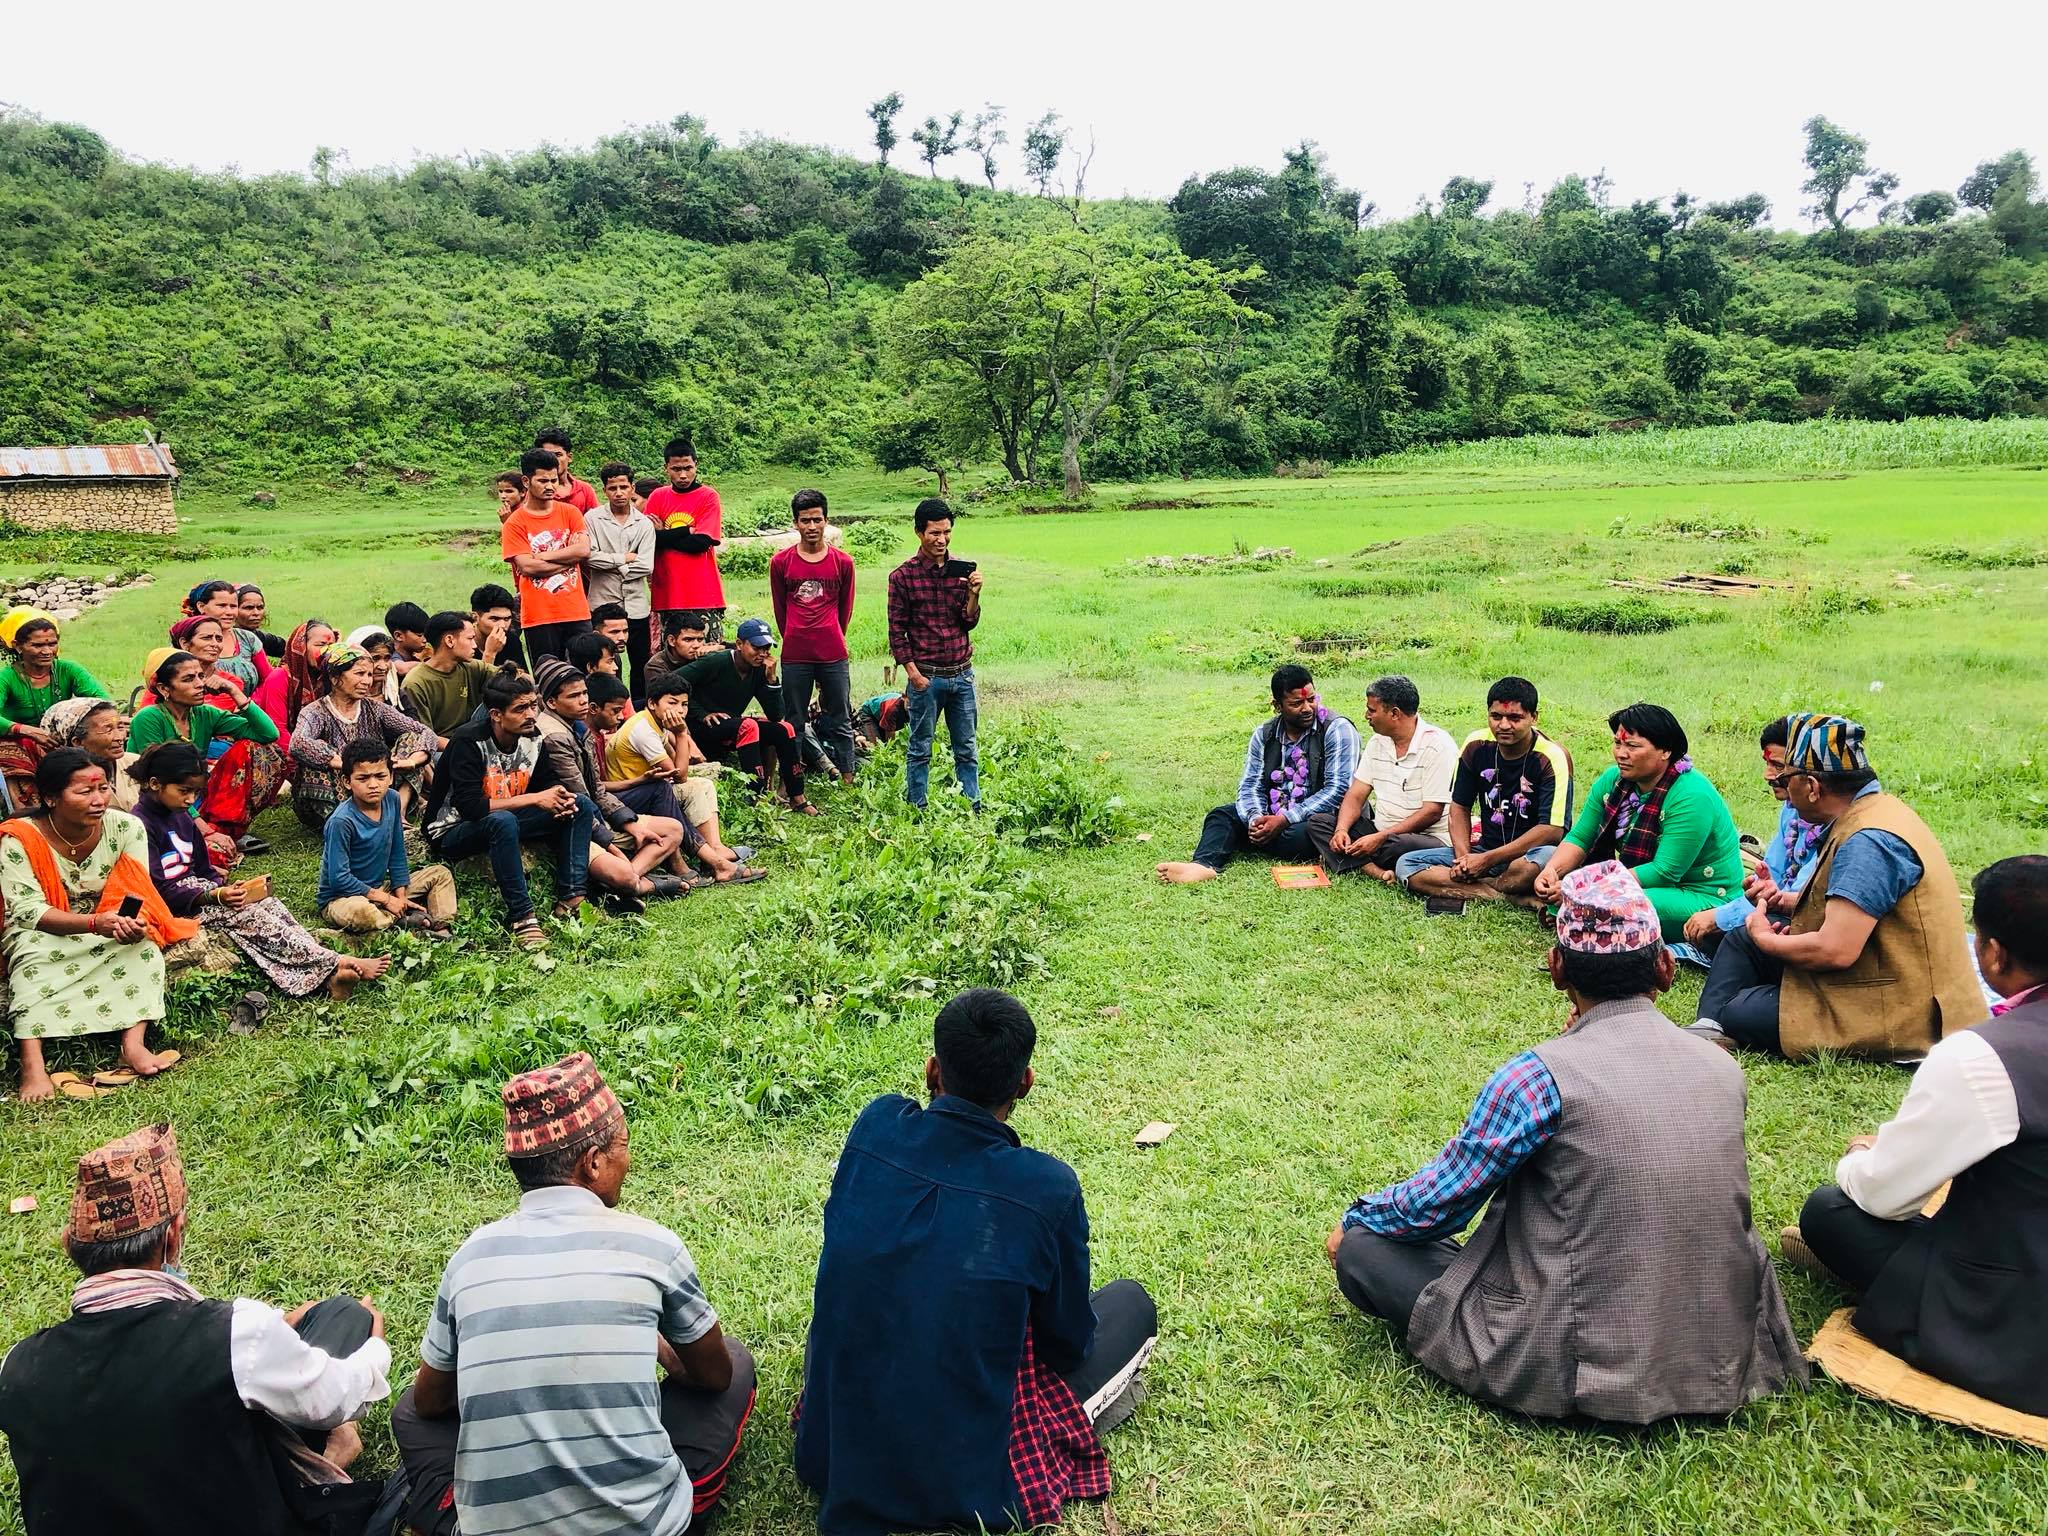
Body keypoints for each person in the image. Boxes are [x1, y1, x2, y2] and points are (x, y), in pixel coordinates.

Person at [1328, 860, 1807, 1422]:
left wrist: (1360, 1222)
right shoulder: (1721, 1067)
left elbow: (1438, 1207)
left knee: (1366, 1248)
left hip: (1573, 1355)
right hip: (1722, 1347)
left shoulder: (1536, 1078)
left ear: (1557, 968)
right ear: (1665, 968)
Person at [796, 989, 1157, 1535]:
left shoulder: (876, 1125)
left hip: (833, 1450)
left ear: (932, 1071)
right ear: (1025, 1083)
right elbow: (1068, 1345)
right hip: (963, 1480)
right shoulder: (1046, 1188)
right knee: (1130, 1303)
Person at [393, 1053, 755, 1536]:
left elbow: (431, 1403)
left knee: (408, 1412)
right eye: (624, 1145)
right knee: (734, 1363)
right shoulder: (654, 1246)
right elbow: (713, 1376)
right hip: (645, 1526)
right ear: (593, 1162)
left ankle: (445, 1511)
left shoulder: (470, 1259)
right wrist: (655, 1348)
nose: (629, 1159)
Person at [0, 1123, 394, 1534]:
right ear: (173, 1236)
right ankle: (331, 1458)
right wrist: (374, 1352)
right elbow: (335, 1399)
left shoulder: (17, 1369)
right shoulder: (237, 1335)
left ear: (68, 1245)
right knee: (348, 1317)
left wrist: (266, 1331)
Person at [1782, 855, 2048, 1414]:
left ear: (1994, 954)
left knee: (1831, 1211)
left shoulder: (1984, 1057)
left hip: (2019, 1309)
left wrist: (1860, 1158)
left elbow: (1884, 1197)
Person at [1691, 714, 1978, 1059]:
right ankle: (1709, 1026)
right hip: (1875, 966)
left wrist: (1766, 939)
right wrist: (1785, 901)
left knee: (1742, 1008)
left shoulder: (1867, 841)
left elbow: (1835, 951)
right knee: (1742, 941)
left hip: (1898, 1005)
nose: (1782, 789)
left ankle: (1723, 1019)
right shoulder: (1875, 811)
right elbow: (1863, 907)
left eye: (1786, 779)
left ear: (1812, 787)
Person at [129, 742, 390, 1001]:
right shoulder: (140, 824)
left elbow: (203, 869)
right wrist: (214, 896)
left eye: (195, 793)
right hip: (172, 904)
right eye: (184, 791)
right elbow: (156, 888)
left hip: (200, 892)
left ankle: (326, 979)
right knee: (248, 915)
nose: (190, 800)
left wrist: (226, 886)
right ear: (154, 784)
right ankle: (336, 961)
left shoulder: (182, 815)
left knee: (268, 904)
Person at [2, 749, 191, 1100]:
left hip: (107, 919)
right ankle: (33, 1064)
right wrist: (93, 923)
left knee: (143, 950)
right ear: (50, 798)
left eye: (103, 788)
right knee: (31, 961)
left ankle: (132, 1043)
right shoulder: (18, 838)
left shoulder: (126, 827)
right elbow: (27, 911)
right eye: (84, 792)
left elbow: (134, 889)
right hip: (41, 929)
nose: (98, 799)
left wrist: (130, 924)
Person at [1534, 701, 1740, 940]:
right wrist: (1552, 871)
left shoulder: (1691, 796)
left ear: (1666, 751)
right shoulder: (1613, 780)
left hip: (1703, 897)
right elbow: (1581, 837)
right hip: (1637, 882)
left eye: (1632, 745)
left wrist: (1586, 889)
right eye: (1617, 743)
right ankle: (1580, 911)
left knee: (1617, 905)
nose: (1621, 753)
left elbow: (1664, 872)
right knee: (1570, 883)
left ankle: (1580, 913)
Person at [421, 668, 596, 950]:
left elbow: (545, 780)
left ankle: (572, 899)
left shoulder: (533, 736)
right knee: (501, 821)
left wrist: (557, 795)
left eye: (532, 706)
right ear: (496, 714)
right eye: (520, 709)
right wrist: (535, 800)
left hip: (508, 818)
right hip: (452, 828)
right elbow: (471, 807)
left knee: (580, 805)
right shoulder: (469, 741)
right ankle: (523, 918)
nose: (530, 714)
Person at [1156, 664, 1360, 884]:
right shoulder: (1264, 734)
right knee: (1221, 815)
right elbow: (1250, 784)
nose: (1308, 708)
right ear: (1277, 706)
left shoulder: (1336, 729)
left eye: (1311, 699)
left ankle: (1258, 840)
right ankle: (1204, 865)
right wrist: (1255, 819)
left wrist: (1284, 819)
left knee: (1302, 833)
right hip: (1275, 814)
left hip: (1320, 819)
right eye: (1296, 703)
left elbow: (1339, 790)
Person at [1396, 676, 1573, 905]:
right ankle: (1507, 896)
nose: (1504, 725)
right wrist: (1464, 860)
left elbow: (1552, 830)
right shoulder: (1475, 745)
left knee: (1542, 860)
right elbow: (1459, 806)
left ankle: (1486, 887)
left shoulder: (1551, 757)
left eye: (1515, 718)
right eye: (1496, 716)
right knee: (1406, 865)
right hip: (1484, 849)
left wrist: (1486, 861)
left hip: (1528, 856)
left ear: (1534, 717)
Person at [531, 658, 688, 907]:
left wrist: (630, 823)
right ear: (552, 702)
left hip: (594, 816)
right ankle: (635, 882)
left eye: (584, 692)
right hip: (572, 824)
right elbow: (580, 801)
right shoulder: (555, 737)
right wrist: (610, 843)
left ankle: (628, 885)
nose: (583, 700)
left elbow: (598, 790)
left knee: (673, 829)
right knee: (621, 870)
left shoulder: (579, 729)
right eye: (574, 696)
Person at [1681, 715, 1822, 953]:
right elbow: (1773, 872)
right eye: (1767, 764)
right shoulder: (1792, 810)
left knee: (1737, 936)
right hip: (1774, 906)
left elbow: (1800, 897)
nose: (1768, 775)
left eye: (1778, 766)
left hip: (1809, 920)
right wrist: (1756, 892)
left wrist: (1720, 916)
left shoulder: (1833, 821)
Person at [602, 671, 759, 885]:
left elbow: (677, 764)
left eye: (684, 705)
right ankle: (714, 864)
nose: (679, 710)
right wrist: (682, 734)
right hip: (629, 797)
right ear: (652, 703)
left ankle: (713, 850)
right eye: (672, 703)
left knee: (703, 785)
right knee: (664, 788)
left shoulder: (656, 725)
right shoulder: (643, 729)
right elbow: (680, 776)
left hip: (645, 790)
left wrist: (675, 737)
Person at [128, 648, 285, 853]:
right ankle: (208, 834)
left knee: (261, 751)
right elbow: (160, 781)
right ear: (164, 688)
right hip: (157, 800)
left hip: (191, 796)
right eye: (188, 679)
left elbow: (268, 734)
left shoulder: (203, 714)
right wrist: (204, 829)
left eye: (201, 676)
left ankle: (224, 830)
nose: (200, 684)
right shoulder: (149, 718)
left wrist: (234, 691)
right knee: (199, 851)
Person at [1307, 674, 1455, 883]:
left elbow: (1432, 812)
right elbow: (1356, 794)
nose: (1366, 715)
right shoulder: (1378, 742)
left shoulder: (1438, 745)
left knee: (1399, 847)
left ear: (1394, 713)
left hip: (1424, 838)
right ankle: (1374, 870)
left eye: (1371, 710)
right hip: (1380, 830)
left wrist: (1380, 838)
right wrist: (1341, 830)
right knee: (1318, 823)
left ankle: (1352, 860)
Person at [887, 498, 983, 811]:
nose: (941, 540)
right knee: (920, 747)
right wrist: (914, 676)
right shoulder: (902, 577)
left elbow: (968, 621)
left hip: (962, 673)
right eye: (934, 533)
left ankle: (973, 803)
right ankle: (918, 807)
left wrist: (973, 595)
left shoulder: (960, 572)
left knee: (966, 746)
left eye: (946, 532)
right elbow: (896, 632)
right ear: (919, 533)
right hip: (926, 677)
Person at [320, 738, 458, 935]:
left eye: (380, 776)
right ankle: (407, 922)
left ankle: (440, 927)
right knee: (362, 912)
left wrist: (399, 896)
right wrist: (386, 900)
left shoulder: (392, 799)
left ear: (391, 776)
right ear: (346, 782)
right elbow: (339, 879)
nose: (373, 784)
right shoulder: (341, 822)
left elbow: (397, 852)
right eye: (363, 778)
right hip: (344, 898)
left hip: (380, 888)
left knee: (440, 874)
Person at [287, 642, 432, 829]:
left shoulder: (376, 709)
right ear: (335, 677)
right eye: (359, 674)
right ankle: (349, 822)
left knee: (412, 739)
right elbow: (297, 743)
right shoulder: (315, 712)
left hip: (374, 786)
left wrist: (410, 761)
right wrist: (349, 765)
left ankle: (398, 813)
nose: (367, 681)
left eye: (369, 674)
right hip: (340, 789)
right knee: (314, 762)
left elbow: (424, 732)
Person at [678, 617, 814, 813]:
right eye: (757, 647)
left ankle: (797, 797)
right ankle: (756, 798)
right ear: (740, 644)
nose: (762, 653)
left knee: (785, 728)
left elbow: (776, 715)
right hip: (699, 727)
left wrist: (772, 680)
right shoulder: (716, 661)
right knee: (748, 725)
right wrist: (701, 713)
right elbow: (671, 682)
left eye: (767, 648)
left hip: (729, 724)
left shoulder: (759, 670)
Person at [772, 488, 859, 781]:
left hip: (833, 651)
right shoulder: (781, 562)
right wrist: (795, 635)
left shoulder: (842, 562)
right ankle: (792, 780)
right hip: (795, 654)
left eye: (817, 520)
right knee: (793, 721)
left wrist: (832, 634)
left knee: (840, 716)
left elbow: (845, 608)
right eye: (805, 521)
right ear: (795, 523)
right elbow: (780, 609)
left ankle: (848, 774)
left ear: (826, 520)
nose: (811, 527)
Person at [0, 615, 110, 809]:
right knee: (14, 755)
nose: (47, 651)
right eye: (37, 645)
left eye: (52, 643)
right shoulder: (7, 677)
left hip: (57, 739)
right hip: (17, 742)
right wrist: (26, 730)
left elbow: (101, 701)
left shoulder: (68, 669)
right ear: (18, 646)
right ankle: (24, 812)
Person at [500, 446, 592, 663]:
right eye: (543, 481)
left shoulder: (570, 512)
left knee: (586, 673)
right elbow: (528, 567)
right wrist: (568, 561)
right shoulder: (514, 522)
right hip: (538, 616)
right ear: (526, 481)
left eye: (554, 480)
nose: (550, 486)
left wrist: (541, 556)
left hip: (576, 611)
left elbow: (583, 550)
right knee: (549, 677)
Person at [584, 462, 656, 704]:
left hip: (636, 605)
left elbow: (647, 566)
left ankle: (637, 708)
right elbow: (590, 557)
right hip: (603, 603)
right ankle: (606, 705)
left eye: (623, 486)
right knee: (605, 660)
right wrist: (623, 559)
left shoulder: (644, 523)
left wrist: (612, 564)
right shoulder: (592, 519)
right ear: (604, 490)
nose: (619, 493)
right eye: (612, 487)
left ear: (632, 487)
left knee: (640, 661)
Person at [645, 434, 726, 646]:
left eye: (688, 468)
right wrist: (686, 531)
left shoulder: (708, 496)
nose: (683, 475)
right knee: (670, 661)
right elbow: (649, 539)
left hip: (703, 594)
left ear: (696, 465)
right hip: (668, 595)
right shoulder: (657, 497)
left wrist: (665, 534)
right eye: (676, 469)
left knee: (708, 657)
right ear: (666, 468)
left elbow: (701, 543)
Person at [401, 610, 496, 747]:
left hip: (471, 738)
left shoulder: (471, 666)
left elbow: (513, 678)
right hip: (442, 748)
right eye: (470, 639)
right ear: (450, 641)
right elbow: (424, 736)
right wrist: (465, 749)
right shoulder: (415, 683)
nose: (474, 645)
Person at [534, 426, 598, 513]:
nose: (553, 460)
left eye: (558, 455)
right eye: (547, 455)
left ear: (569, 457)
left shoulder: (585, 490)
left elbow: (596, 522)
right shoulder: (533, 490)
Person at [343, 625, 405, 709]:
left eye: (387, 658)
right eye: (375, 658)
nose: (383, 667)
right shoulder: (343, 697)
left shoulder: (396, 695)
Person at [470, 581, 525, 672]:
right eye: (495, 619)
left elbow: (521, 680)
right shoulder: (463, 643)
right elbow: (475, 685)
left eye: (507, 619)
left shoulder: (511, 639)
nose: (503, 626)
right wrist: (490, 653)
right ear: (475, 618)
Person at [236, 583, 288, 659]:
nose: (256, 613)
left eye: (260, 607)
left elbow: (289, 649)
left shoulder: (260, 638)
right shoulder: (221, 639)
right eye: (249, 608)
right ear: (234, 609)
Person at [383, 601, 431, 677]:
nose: (425, 640)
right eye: (419, 635)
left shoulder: (414, 655)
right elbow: (401, 669)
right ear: (398, 636)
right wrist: (433, 665)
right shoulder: (390, 656)